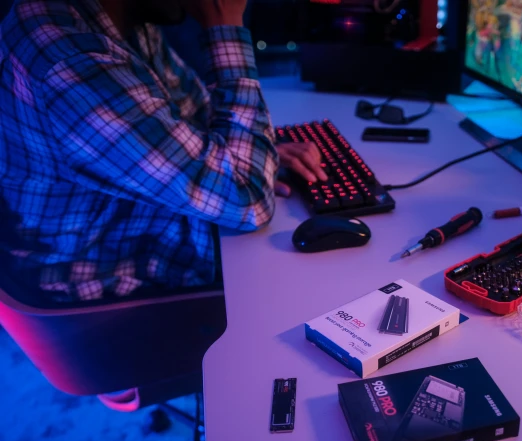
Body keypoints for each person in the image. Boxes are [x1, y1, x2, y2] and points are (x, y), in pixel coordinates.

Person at [0, 0, 324, 303]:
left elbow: (203, 119)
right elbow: (248, 201)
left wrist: (251, 154)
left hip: (165, 239)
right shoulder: (70, 59)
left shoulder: (126, 21)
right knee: (321, 294)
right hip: (117, 300)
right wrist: (226, 26)